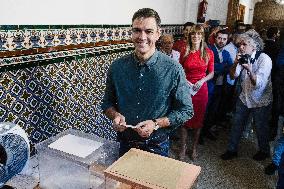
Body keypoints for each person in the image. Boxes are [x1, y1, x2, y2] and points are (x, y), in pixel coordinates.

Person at [101, 8, 194, 157]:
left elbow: (186, 110)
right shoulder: (117, 67)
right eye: (137, 30)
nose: (142, 37)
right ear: (131, 33)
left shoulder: (173, 69)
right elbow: (106, 103)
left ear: (158, 34)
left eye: (149, 31)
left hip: (156, 145)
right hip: (124, 143)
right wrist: (115, 116)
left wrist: (156, 124)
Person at [221, 29, 272, 161]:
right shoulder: (242, 56)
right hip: (244, 97)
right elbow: (233, 76)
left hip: (261, 100)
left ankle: (264, 150)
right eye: (239, 45)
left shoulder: (264, 59)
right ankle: (232, 150)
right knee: (236, 124)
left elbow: (259, 84)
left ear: (253, 45)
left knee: (261, 127)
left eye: (244, 45)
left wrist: (249, 69)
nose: (241, 47)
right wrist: (236, 63)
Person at [179, 25, 214, 160]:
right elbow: (180, 70)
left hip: (200, 90)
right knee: (184, 119)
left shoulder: (208, 52)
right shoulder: (185, 51)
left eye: (199, 34)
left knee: (198, 121)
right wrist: (185, 81)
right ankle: (183, 147)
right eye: (193, 34)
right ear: (190, 36)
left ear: (202, 36)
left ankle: (193, 148)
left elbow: (211, 73)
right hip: (186, 88)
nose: (196, 36)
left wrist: (201, 81)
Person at [202, 29, 233, 141]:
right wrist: (221, 67)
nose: (221, 41)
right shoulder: (208, 49)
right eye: (219, 38)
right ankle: (200, 133)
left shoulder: (226, 53)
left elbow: (230, 67)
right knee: (205, 109)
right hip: (208, 84)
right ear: (215, 38)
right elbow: (207, 68)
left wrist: (218, 67)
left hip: (220, 86)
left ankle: (207, 130)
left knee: (214, 110)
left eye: (224, 39)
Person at [263, 26, 281, 141]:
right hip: (275, 78)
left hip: (266, 76)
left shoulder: (264, 44)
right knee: (275, 103)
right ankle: (271, 128)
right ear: (274, 35)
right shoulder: (277, 47)